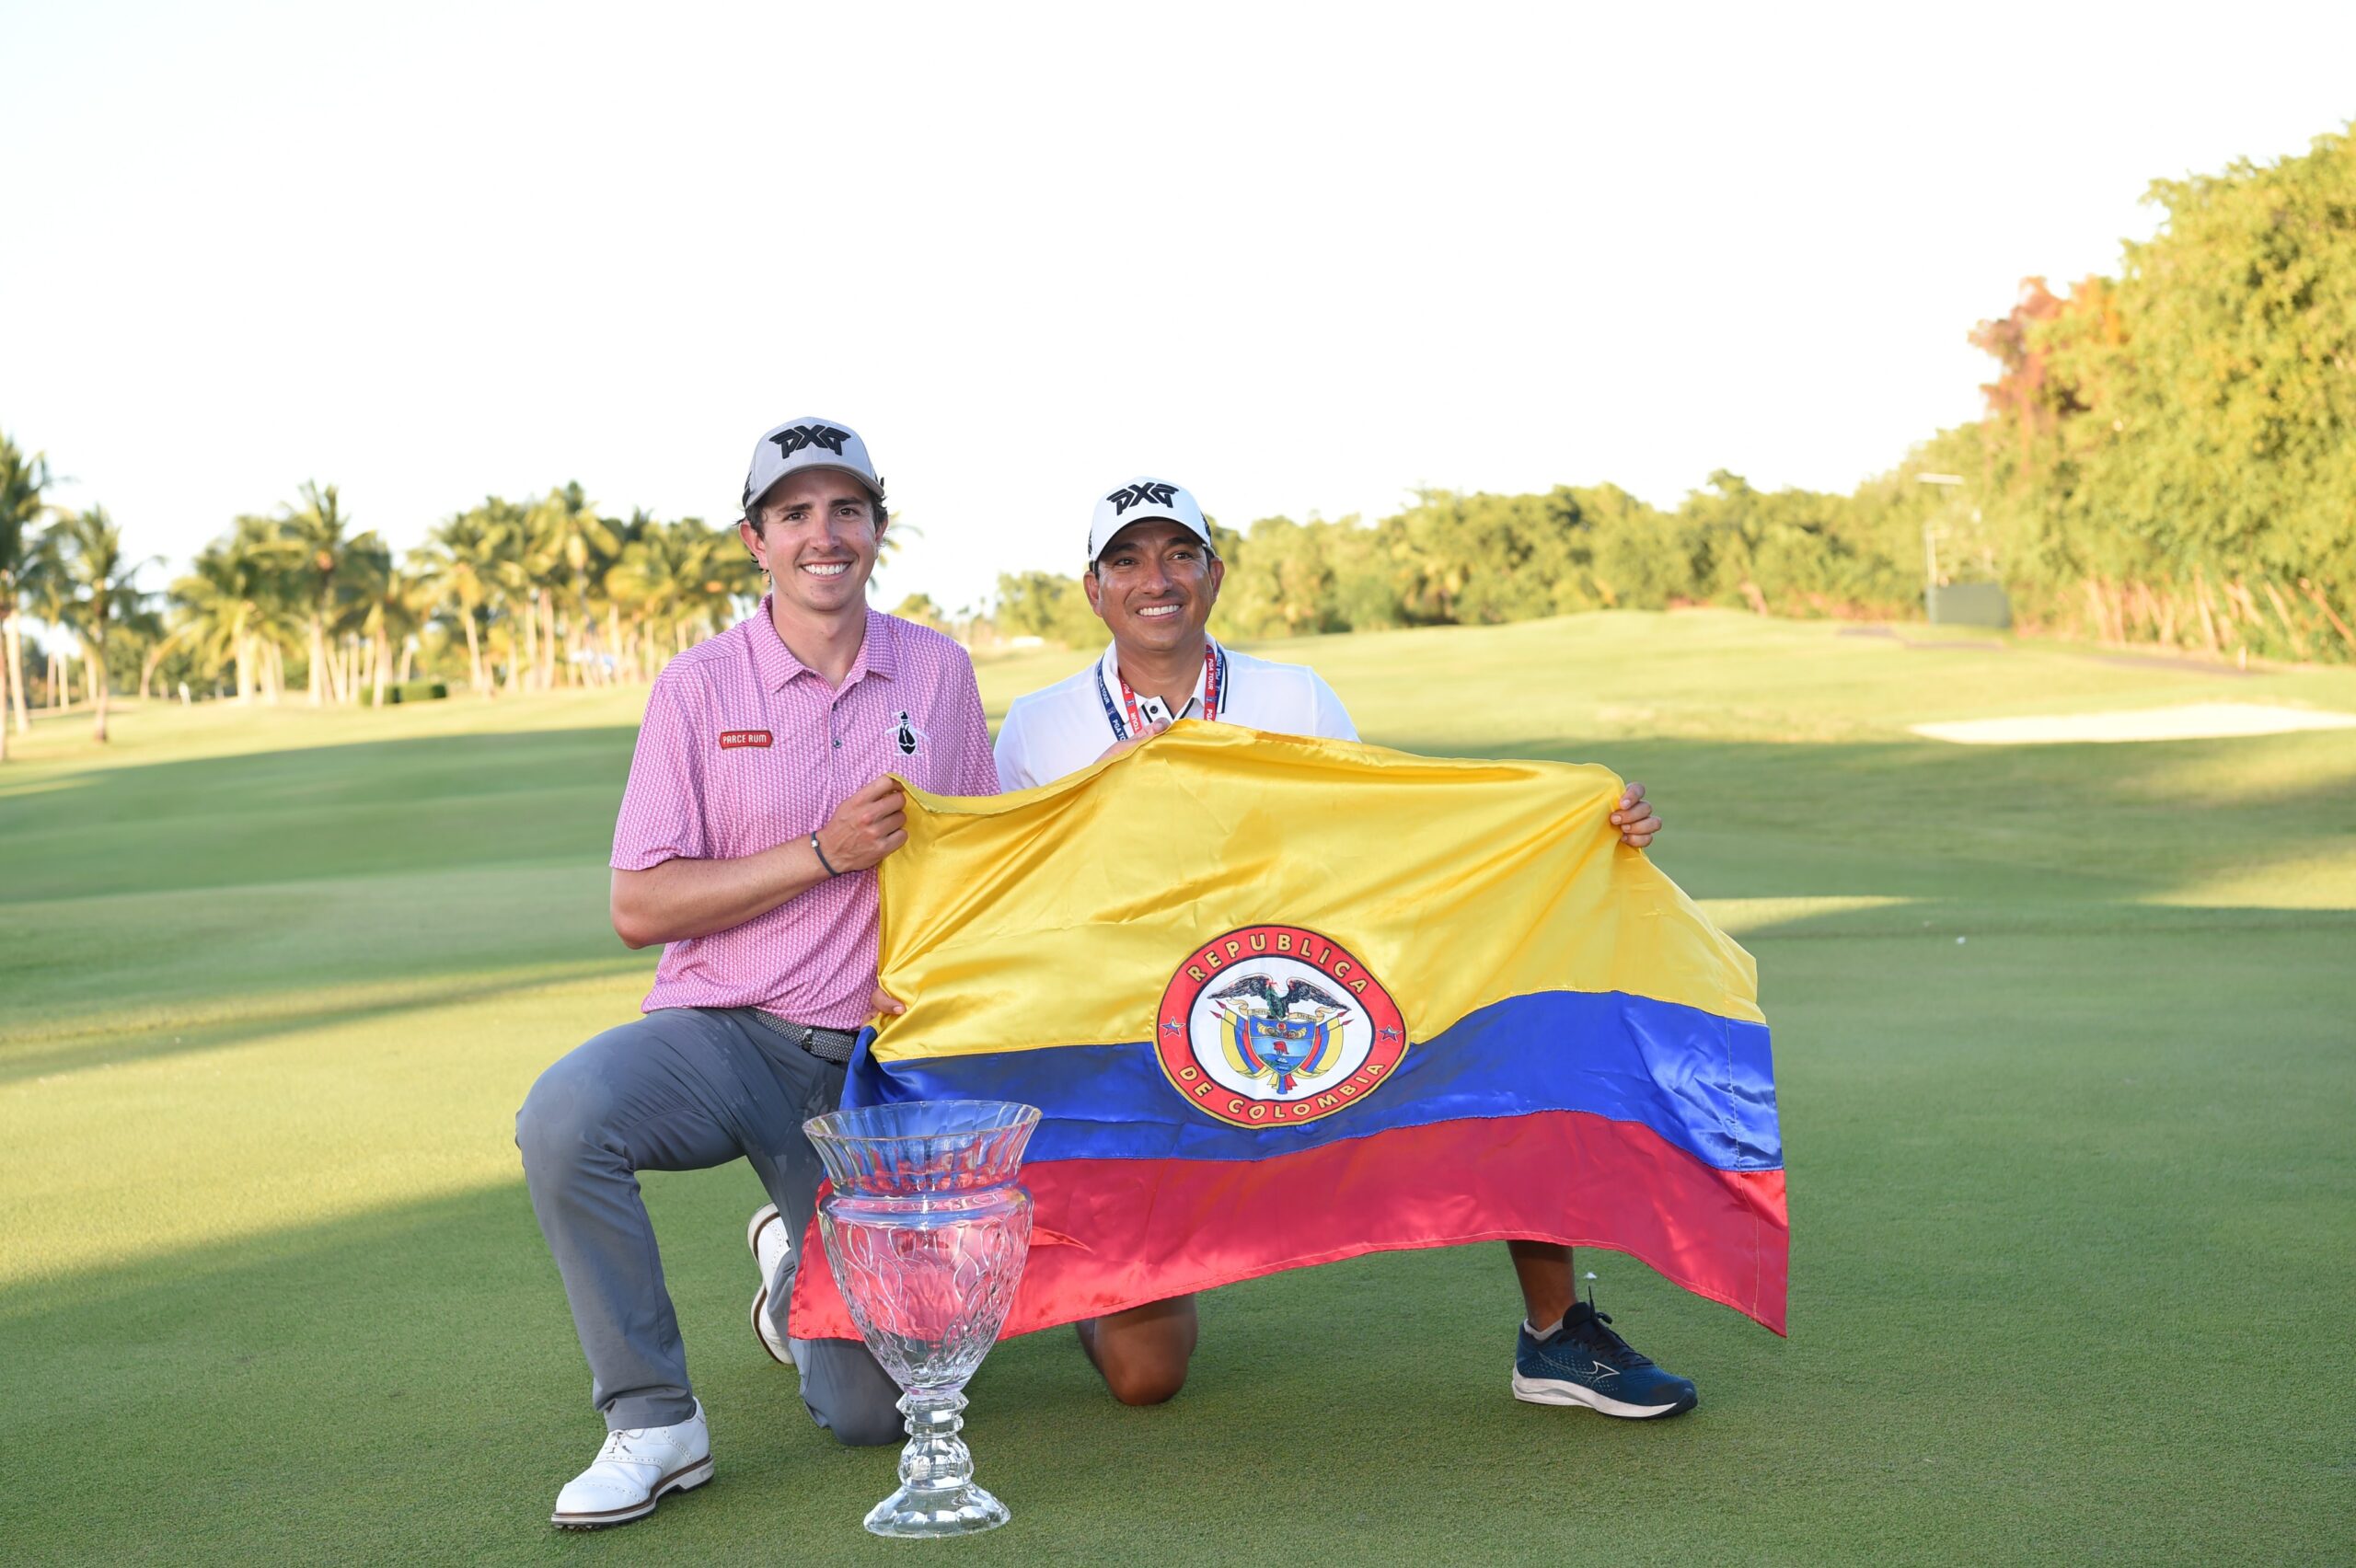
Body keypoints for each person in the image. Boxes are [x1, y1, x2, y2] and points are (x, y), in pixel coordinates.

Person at [988, 477, 1695, 1420]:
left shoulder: (1293, 695)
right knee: (1144, 1378)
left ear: (1215, 575)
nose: (1155, 578)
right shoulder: (1041, 724)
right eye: (1127, 559)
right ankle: (1095, 1285)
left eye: (1178, 555)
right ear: (1093, 588)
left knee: (1513, 1033)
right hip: (1137, 1034)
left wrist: (1576, 832)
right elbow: (1013, 884)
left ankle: (1553, 1331)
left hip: (1301, 992)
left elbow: (1387, 834)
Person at [514, 417, 999, 1530]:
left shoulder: (937, 669)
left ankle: (793, 1267)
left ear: (879, 527)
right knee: (565, 1116)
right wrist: (822, 853)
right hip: (722, 1032)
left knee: (874, 1415)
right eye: (794, 515)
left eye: (846, 511)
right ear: (755, 540)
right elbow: (639, 904)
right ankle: (653, 1419)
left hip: (873, 1073)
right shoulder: (698, 687)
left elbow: (969, 869)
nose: (822, 536)